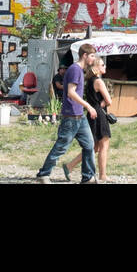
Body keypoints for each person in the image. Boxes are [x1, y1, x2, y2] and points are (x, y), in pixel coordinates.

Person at [36, 44, 99, 183]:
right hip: (71, 117)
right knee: (61, 147)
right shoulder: (75, 70)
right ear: (84, 55)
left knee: (89, 145)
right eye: (92, 56)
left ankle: (88, 177)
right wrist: (88, 106)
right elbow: (71, 93)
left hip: (79, 116)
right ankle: (43, 174)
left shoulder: (79, 70)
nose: (94, 59)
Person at [65, 56, 114, 182]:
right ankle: (103, 175)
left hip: (91, 114)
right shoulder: (98, 81)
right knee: (103, 145)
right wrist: (101, 104)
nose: (105, 67)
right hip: (99, 115)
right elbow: (109, 100)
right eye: (102, 65)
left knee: (93, 147)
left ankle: (70, 166)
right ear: (96, 67)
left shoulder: (89, 81)